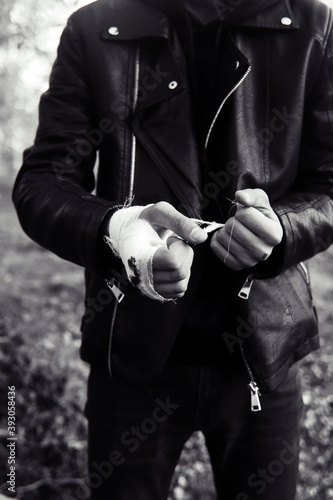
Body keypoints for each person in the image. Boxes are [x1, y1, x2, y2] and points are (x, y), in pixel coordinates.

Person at [12, 0, 333, 498]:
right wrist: (121, 231)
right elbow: (42, 182)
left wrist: (283, 230)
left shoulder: (316, 24)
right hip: (132, 360)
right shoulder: (95, 29)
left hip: (265, 357)